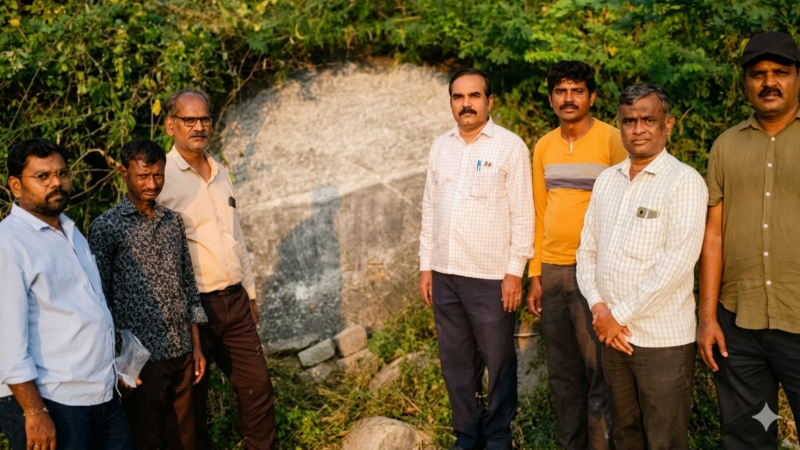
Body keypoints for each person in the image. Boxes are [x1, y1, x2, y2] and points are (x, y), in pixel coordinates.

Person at [576, 84, 707, 449]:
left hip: (661, 342)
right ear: (620, 125)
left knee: (664, 438)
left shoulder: (684, 182)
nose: (638, 129)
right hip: (613, 338)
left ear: (669, 125)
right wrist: (599, 309)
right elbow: (586, 251)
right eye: (629, 121)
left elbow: (677, 264)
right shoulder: (607, 180)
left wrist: (617, 315)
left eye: (648, 120)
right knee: (625, 433)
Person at [418, 68, 534, 450]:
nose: (466, 104)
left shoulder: (510, 146)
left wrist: (514, 272)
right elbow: (430, 209)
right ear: (451, 101)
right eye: (458, 97)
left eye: (474, 96)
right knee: (456, 363)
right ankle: (466, 436)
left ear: (489, 101)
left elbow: (523, 213)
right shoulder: (441, 147)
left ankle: (499, 436)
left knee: (499, 360)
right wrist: (426, 266)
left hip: (490, 277)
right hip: (446, 274)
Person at [157, 88, 276, 450]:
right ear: (170, 125)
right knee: (191, 402)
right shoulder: (160, 177)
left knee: (257, 388)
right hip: (194, 309)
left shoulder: (220, 170)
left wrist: (251, 291)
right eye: (188, 120)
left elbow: (234, 234)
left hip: (235, 301)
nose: (198, 127)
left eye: (204, 119)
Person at [698, 31, 800, 449]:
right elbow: (714, 234)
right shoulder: (725, 146)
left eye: (780, 72)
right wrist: (707, 318)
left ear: (798, 77)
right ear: (745, 82)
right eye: (758, 74)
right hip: (738, 325)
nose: (769, 82)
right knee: (746, 438)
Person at [0, 139, 132, 450]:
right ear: (16, 186)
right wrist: (34, 411)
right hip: (51, 400)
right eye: (42, 176)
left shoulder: (71, 232)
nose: (56, 182)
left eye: (62, 173)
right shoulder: (9, 245)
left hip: (100, 395)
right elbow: (6, 340)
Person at [525, 60, 627, 450]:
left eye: (577, 90)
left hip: (596, 273)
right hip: (552, 271)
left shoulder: (612, 140)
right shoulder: (544, 146)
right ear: (551, 99)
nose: (569, 98)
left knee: (599, 370)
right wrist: (534, 274)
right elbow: (538, 210)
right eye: (561, 91)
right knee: (563, 375)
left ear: (592, 96)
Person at [89, 139, 208, 450]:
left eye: (158, 175)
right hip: (140, 360)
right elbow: (99, 299)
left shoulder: (173, 222)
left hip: (181, 351)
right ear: (124, 172)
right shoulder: (107, 227)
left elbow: (188, 285)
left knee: (184, 438)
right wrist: (118, 363)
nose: (152, 184)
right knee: (143, 439)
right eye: (143, 176)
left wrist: (196, 347)